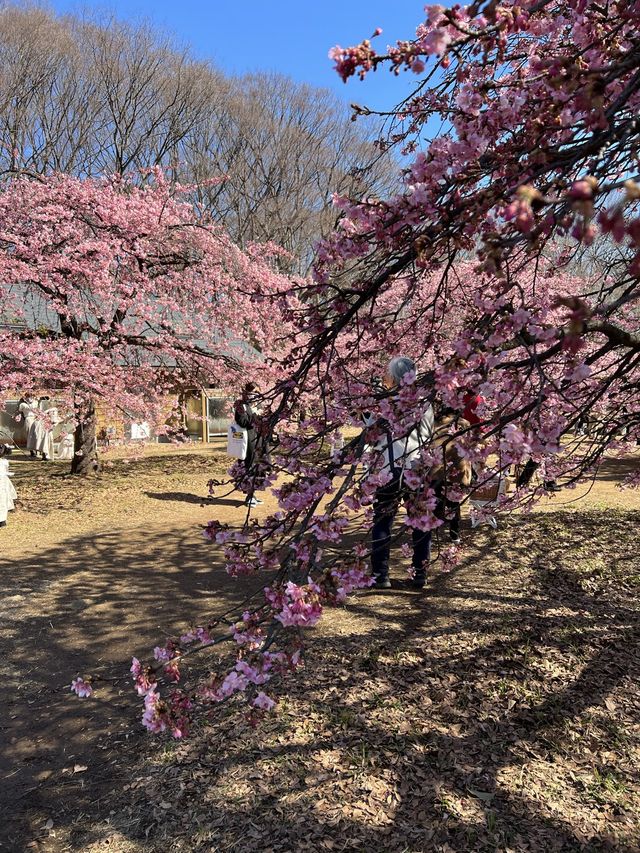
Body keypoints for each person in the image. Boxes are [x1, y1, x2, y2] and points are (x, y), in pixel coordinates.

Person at [369, 357, 435, 590]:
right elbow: (430, 432)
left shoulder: (384, 404)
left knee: (382, 522)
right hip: (416, 467)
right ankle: (420, 573)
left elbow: (371, 433)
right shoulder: (424, 403)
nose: (384, 377)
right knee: (420, 522)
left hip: (389, 469)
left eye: (387, 373)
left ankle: (380, 575)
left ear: (395, 377)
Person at [234, 382, 263, 508]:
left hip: (259, 440)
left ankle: (254, 495)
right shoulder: (241, 405)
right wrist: (254, 418)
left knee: (259, 467)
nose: (255, 395)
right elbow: (241, 422)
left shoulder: (258, 405)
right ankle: (249, 496)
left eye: (257, 392)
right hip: (248, 441)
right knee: (249, 467)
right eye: (253, 392)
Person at [0, 444, 17, 527]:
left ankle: (2, 520)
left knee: (3, 499)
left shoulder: (4, 462)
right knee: (2, 500)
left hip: (2, 483)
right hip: (2, 483)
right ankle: (2, 520)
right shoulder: (4, 462)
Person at [17, 392, 39, 457]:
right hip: (28, 419)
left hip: (35, 419)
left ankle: (37, 449)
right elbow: (19, 412)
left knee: (36, 434)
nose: (30, 398)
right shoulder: (22, 404)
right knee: (29, 435)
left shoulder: (35, 402)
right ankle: (31, 451)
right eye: (28, 396)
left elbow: (37, 411)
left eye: (31, 396)